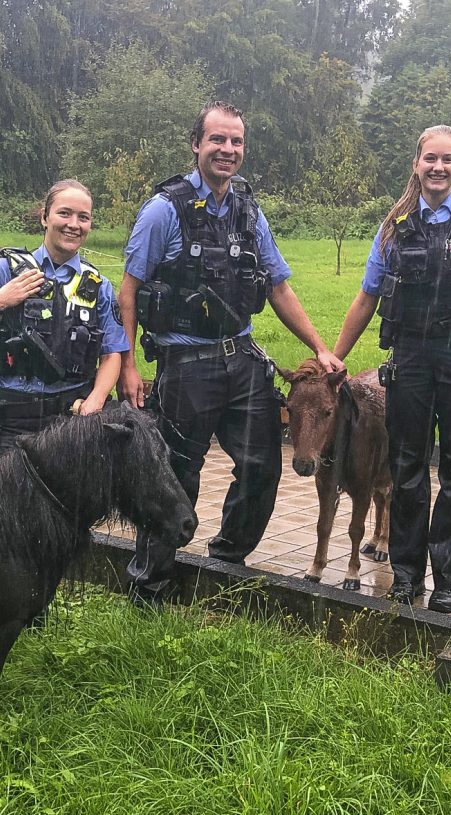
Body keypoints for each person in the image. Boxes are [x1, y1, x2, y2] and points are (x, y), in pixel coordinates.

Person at [118, 100, 343, 601]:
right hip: (185, 365)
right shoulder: (165, 210)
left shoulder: (247, 211)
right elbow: (128, 292)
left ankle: (224, 562)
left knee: (262, 465)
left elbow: (280, 287)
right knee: (177, 474)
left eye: (236, 141)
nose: (227, 149)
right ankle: (150, 585)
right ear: (196, 144)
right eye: (217, 139)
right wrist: (128, 366)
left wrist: (319, 348)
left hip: (241, 358)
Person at [332, 125, 451, 614]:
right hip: (410, 360)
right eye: (429, 159)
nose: (438, 168)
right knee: (407, 470)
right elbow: (367, 296)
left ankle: (449, 580)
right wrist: (336, 357)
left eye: (447, 160)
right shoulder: (395, 224)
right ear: (416, 164)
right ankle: (406, 574)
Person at [0, 180, 128, 467]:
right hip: (11, 422)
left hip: (70, 420)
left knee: (71, 511)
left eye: (83, 217)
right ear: (44, 217)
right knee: (3, 510)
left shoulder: (98, 286)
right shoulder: (4, 272)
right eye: (64, 213)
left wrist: (96, 401)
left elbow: (112, 353)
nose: (73, 224)